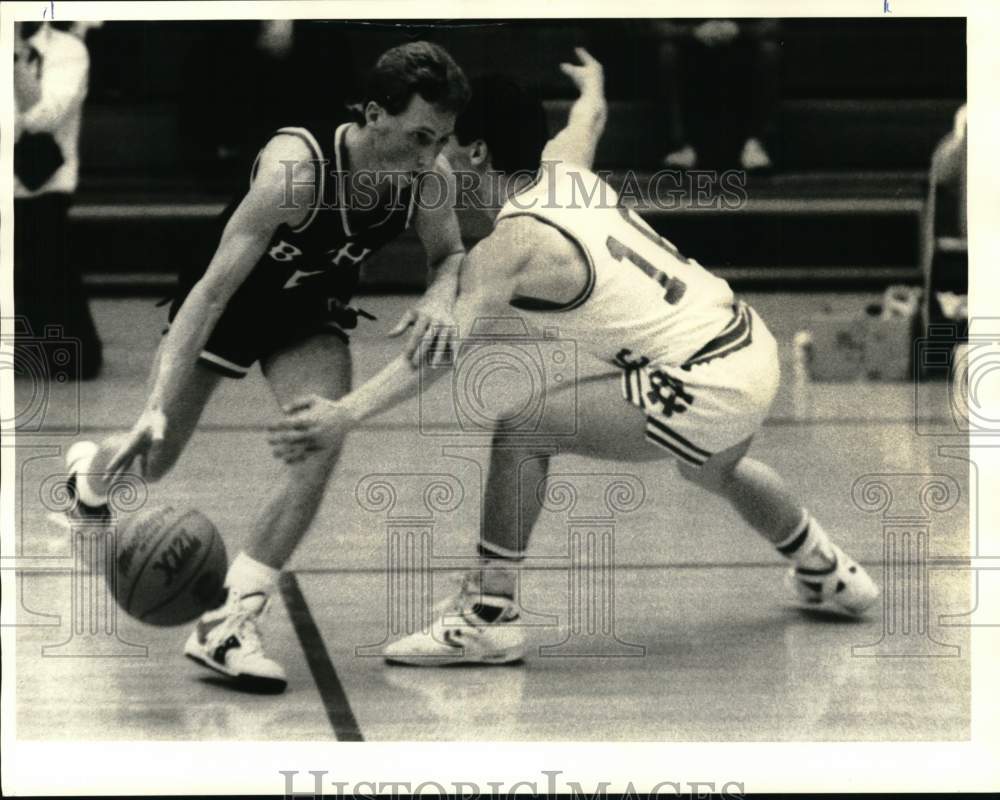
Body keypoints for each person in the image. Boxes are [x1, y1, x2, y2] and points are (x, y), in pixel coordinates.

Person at [268, 49, 879, 666]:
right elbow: (588, 118)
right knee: (712, 467)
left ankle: (488, 616)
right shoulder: (564, 165)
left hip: (705, 375)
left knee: (523, 429)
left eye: (444, 141)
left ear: (475, 153)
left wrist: (344, 414)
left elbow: (439, 356)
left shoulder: (509, 246)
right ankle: (827, 571)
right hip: (748, 344)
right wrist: (594, 83)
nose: (431, 157)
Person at [62, 41, 471, 689]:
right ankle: (91, 475)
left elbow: (449, 254)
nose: (429, 155)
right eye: (420, 135)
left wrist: (442, 294)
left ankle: (227, 624)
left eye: (443, 139)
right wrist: (153, 405)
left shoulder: (429, 179)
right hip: (231, 301)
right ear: (373, 114)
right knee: (155, 456)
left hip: (308, 308)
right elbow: (210, 293)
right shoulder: (296, 171)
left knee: (321, 437)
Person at [14, 20, 103, 380]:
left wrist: (14, 55)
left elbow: (42, 118)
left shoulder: (68, 49)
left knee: (73, 354)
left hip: (42, 191)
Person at [654, 19, 780, 171]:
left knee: (769, 50)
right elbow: (658, 25)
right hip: (691, 45)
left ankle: (756, 143)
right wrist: (693, 32)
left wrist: (738, 30)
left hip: (743, 45)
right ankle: (679, 145)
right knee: (667, 52)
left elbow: (773, 24)